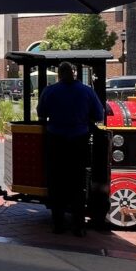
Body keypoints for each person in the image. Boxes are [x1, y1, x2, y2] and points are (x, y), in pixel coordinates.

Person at [37, 62, 104, 236]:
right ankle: (78, 227)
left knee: (56, 183)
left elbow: (41, 113)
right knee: (78, 184)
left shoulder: (49, 91)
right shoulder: (86, 91)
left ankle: (58, 225)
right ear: (73, 74)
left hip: (56, 142)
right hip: (79, 142)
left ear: (59, 74)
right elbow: (99, 114)